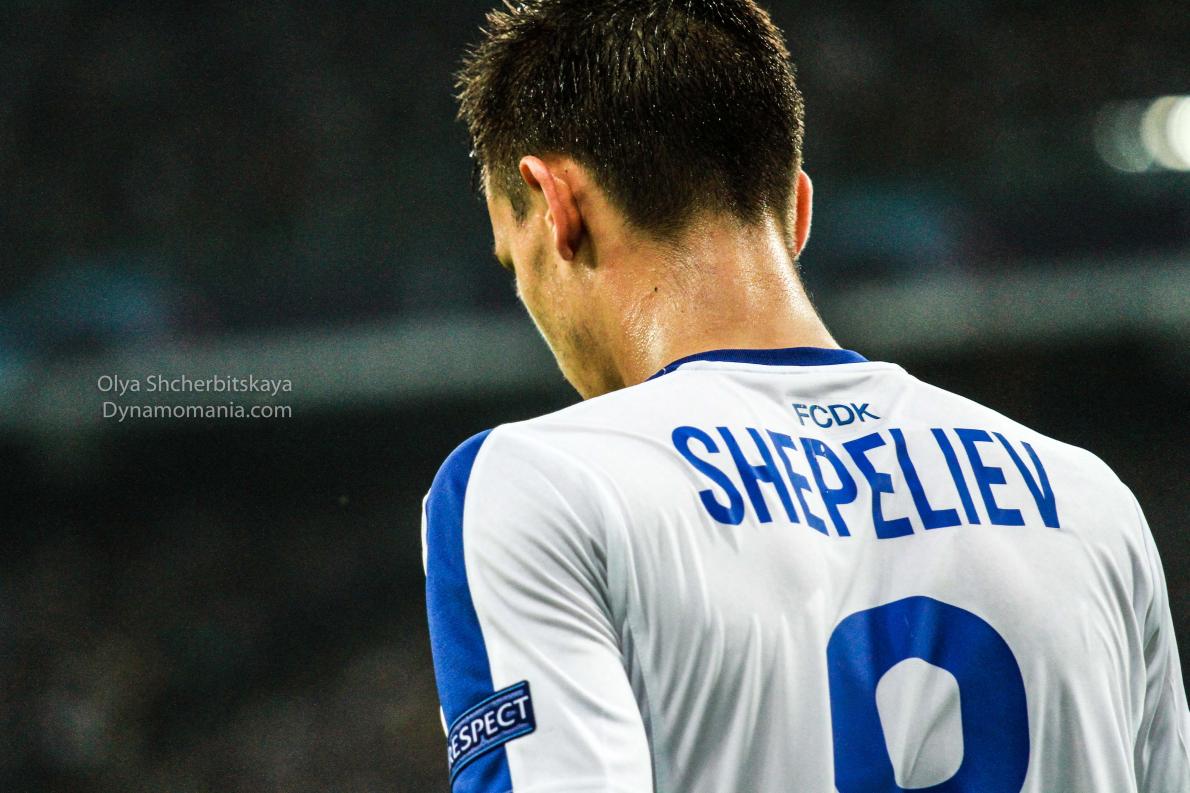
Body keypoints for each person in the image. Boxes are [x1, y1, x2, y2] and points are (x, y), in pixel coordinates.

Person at [421, 1, 1190, 791]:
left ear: (555, 205)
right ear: (796, 210)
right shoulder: (1091, 502)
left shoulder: (539, 486)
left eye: (515, 264)